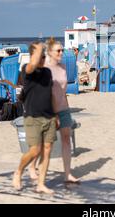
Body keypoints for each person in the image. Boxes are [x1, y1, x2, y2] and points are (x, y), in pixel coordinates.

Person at [12, 42, 57, 194]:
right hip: (33, 117)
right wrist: (37, 51)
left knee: (47, 151)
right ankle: (18, 171)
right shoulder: (27, 70)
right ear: (33, 56)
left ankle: (41, 183)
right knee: (34, 151)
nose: (43, 59)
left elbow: (51, 95)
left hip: (49, 117)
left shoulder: (47, 72)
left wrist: (56, 115)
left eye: (44, 56)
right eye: (40, 56)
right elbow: (32, 65)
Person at [38, 38, 79, 184]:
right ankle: (37, 171)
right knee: (46, 144)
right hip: (49, 111)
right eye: (58, 50)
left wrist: (66, 109)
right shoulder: (45, 69)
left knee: (67, 140)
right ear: (50, 52)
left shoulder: (63, 67)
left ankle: (67, 174)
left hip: (64, 108)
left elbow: (63, 91)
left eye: (62, 50)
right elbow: (45, 93)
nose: (61, 52)